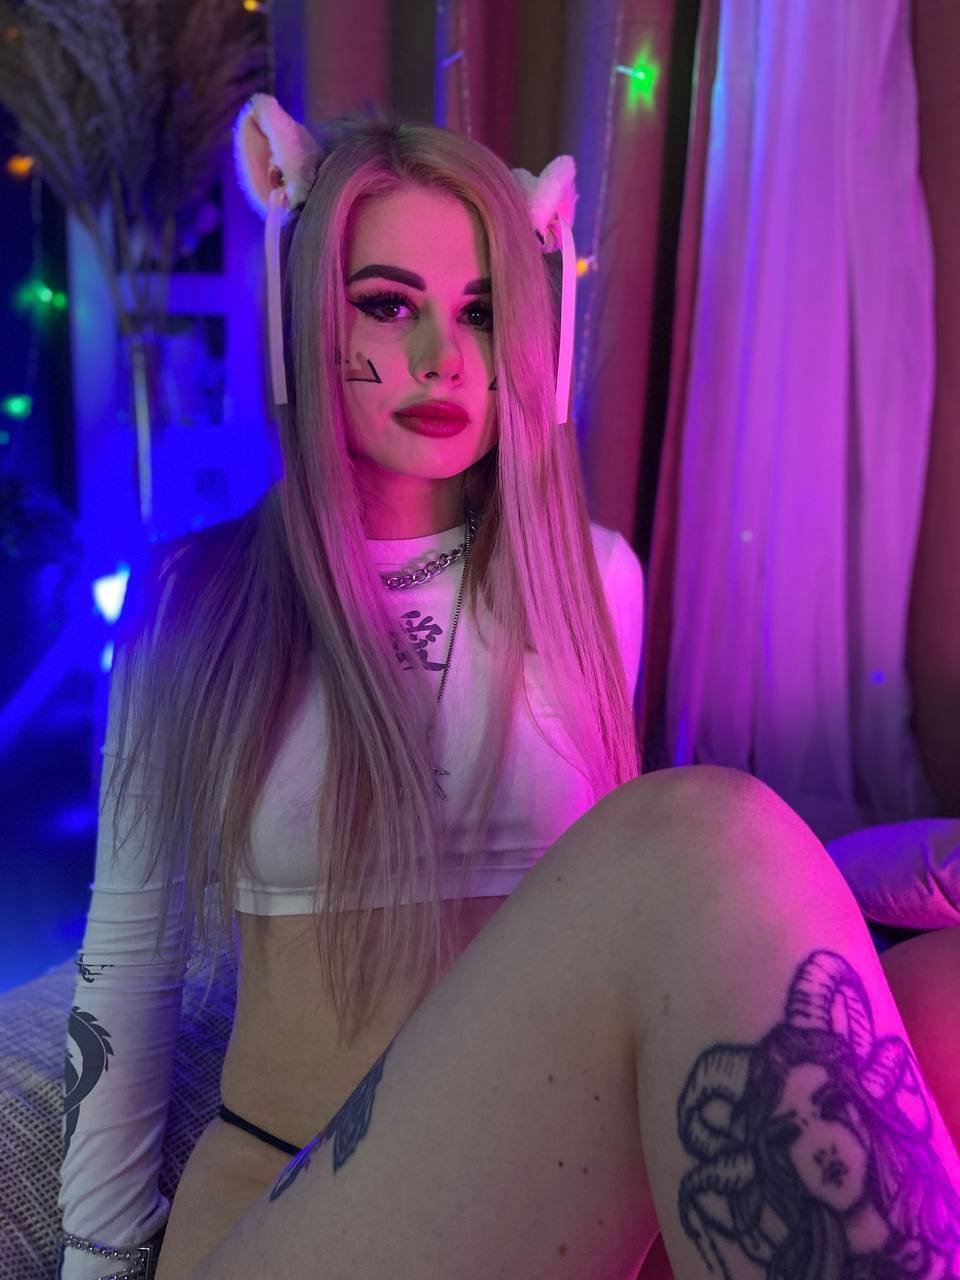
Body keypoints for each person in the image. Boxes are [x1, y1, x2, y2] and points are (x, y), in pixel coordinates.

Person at [56, 96, 960, 1280]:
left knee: (944, 992)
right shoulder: (195, 597)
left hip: (550, 1198)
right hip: (295, 1200)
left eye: (483, 312)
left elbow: (601, 919)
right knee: (709, 825)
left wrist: (820, 885)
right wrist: (95, 1261)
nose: (444, 356)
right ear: (306, 317)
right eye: (389, 303)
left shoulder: (595, 580)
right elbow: (128, 969)